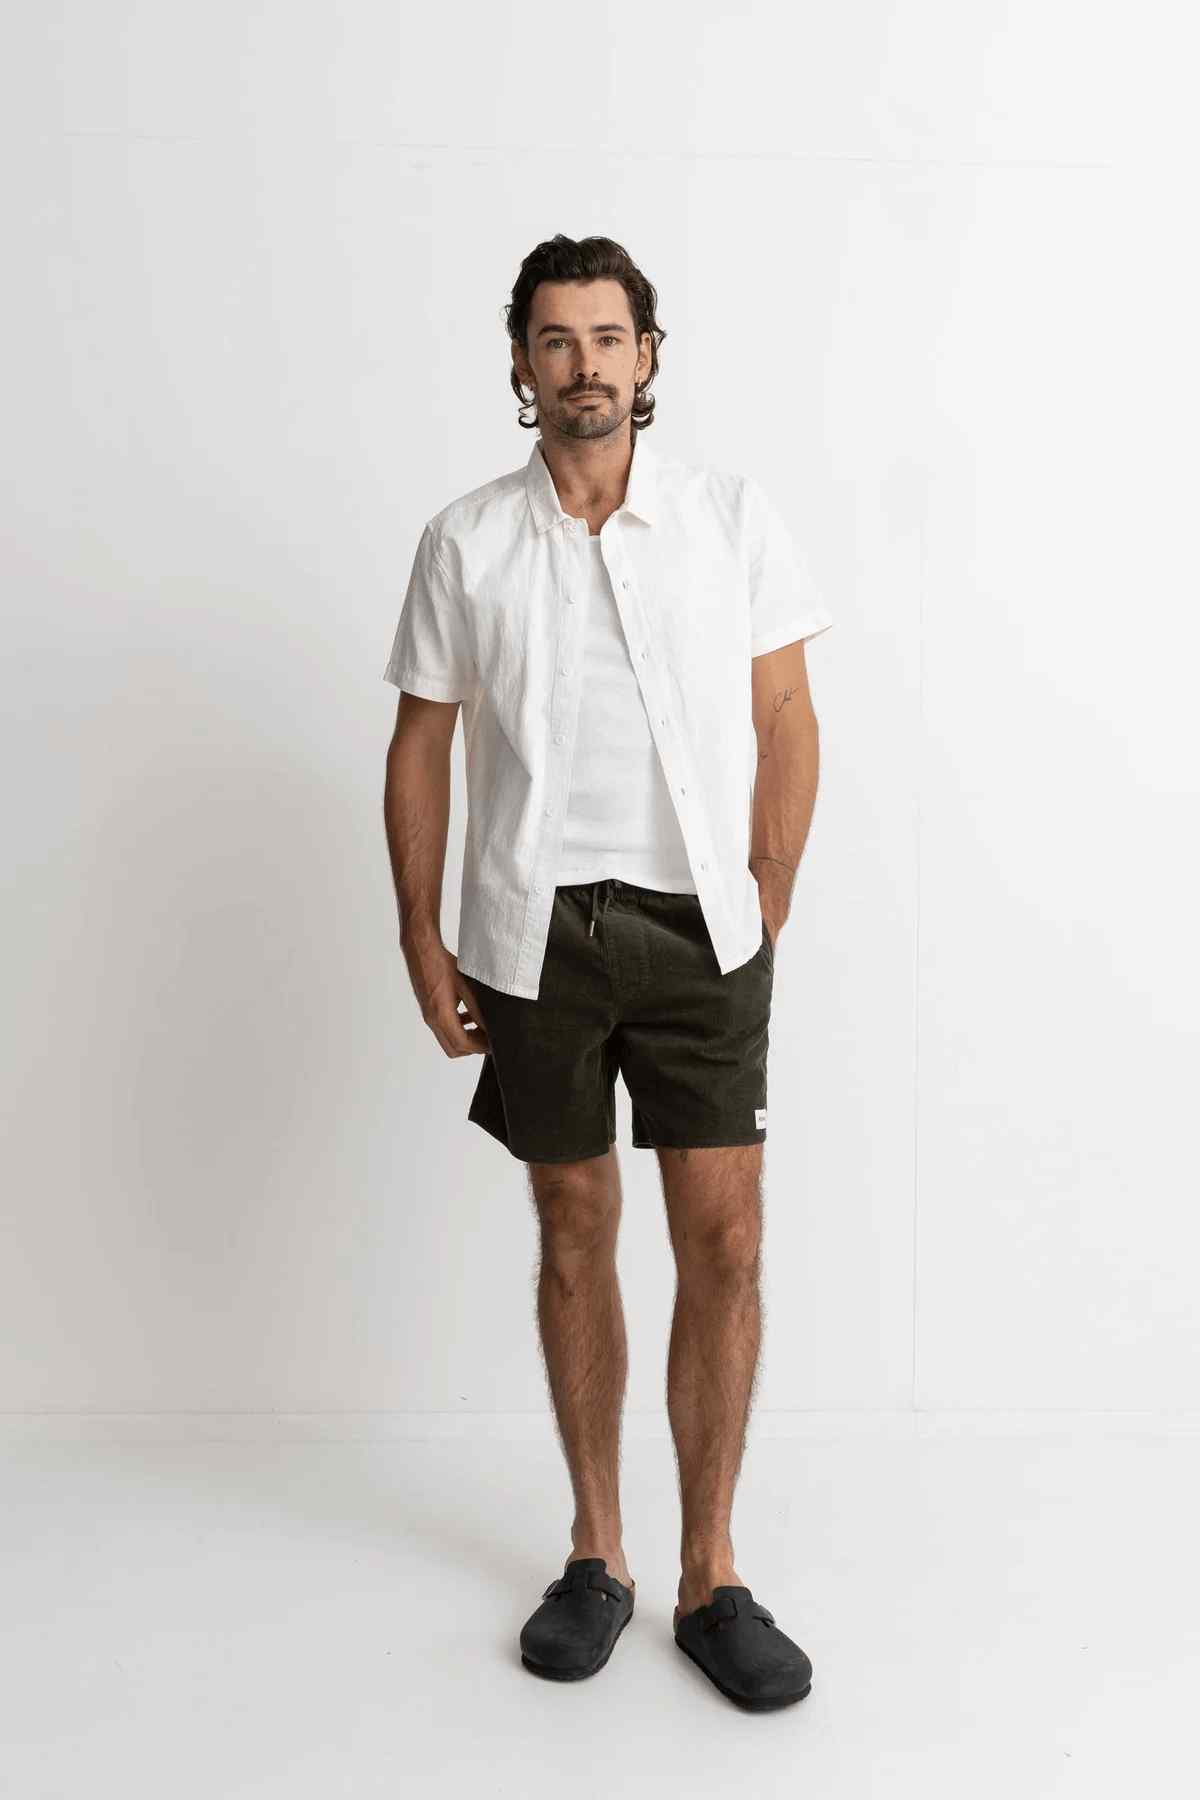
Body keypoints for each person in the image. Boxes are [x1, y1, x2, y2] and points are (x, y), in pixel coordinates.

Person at [382, 235, 831, 1710]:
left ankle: (713, 1575)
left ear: (648, 357)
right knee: (574, 1230)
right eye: (557, 340)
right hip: (534, 937)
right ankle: (598, 1554)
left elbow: (787, 711)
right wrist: (421, 932)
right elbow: (422, 742)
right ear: (522, 363)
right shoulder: (465, 542)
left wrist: (768, 881)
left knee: (726, 1242)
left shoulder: (730, 519)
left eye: (608, 337)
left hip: (705, 931)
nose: (585, 365)